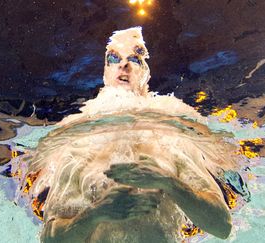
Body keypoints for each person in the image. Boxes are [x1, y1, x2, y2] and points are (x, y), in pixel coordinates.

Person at [20, 27, 238, 242]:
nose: (123, 64)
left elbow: (222, 226)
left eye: (135, 58)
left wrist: (169, 183)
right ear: (105, 71)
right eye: (113, 58)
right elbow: (50, 239)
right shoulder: (77, 145)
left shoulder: (172, 141)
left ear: (147, 72)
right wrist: (98, 213)